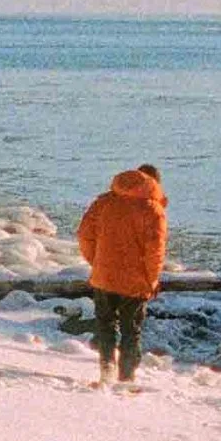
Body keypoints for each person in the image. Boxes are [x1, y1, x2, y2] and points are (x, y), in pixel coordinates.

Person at [76, 163, 167, 386]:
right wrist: (152, 279)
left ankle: (107, 366)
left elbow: (84, 235)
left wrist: (97, 262)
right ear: (154, 183)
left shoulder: (104, 202)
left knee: (105, 324)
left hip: (104, 276)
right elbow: (155, 252)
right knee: (131, 330)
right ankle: (126, 377)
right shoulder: (153, 210)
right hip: (136, 281)